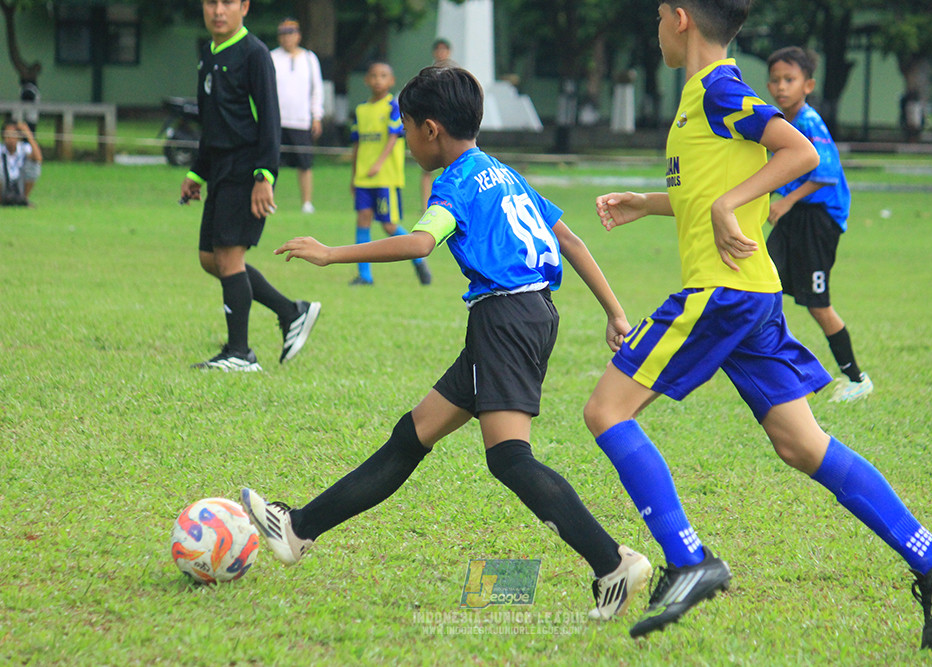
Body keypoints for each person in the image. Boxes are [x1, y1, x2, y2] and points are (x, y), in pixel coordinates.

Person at [583, 0, 932, 648]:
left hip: (722, 293)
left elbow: (799, 152)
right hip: (754, 295)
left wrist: (729, 204)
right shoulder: (700, 96)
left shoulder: (719, 89)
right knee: (801, 443)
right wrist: (649, 203)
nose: (655, 30)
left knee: (606, 411)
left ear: (680, 17)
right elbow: (714, 184)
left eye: (657, 17)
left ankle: (687, 559)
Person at [242, 65, 653, 621]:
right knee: (412, 435)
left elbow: (419, 243)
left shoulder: (456, 182)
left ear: (430, 129)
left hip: (504, 318)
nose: (405, 139)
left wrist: (332, 253)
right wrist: (615, 310)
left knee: (510, 458)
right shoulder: (502, 172)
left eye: (406, 127)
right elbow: (570, 239)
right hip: (528, 314)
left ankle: (612, 563)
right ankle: (297, 529)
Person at [180, 0, 321, 371]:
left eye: (227, 2)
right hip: (219, 169)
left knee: (229, 257)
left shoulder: (255, 54)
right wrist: (197, 173)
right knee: (211, 259)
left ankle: (240, 353)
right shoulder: (208, 54)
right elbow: (211, 122)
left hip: (245, 169)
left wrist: (264, 175)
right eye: (211, 2)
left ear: (244, 6)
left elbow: (271, 120)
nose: (218, 10)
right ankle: (291, 311)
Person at [765, 46, 872, 402]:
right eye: (775, 80)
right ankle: (780, 371)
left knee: (817, 304)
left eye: (790, 79)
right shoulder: (780, 122)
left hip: (819, 218)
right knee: (764, 283)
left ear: (808, 85)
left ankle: (856, 378)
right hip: (797, 215)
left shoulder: (809, 121)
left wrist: (785, 201)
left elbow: (824, 173)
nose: (782, 87)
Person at [349, 61, 431, 286]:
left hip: (385, 177)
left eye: (383, 76)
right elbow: (357, 144)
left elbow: (393, 138)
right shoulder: (361, 111)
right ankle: (365, 276)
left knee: (389, 226)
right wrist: (354, 176)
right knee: (363, 220)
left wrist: (378, 164)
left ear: (391, 81)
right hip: (363, 178)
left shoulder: (393, 108)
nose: (378, 80)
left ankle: (419, 258)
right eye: (374, 76)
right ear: (366, 80)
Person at [271, 18, 324, 214]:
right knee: (271, 162)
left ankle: (307, 203)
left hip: (301, 120)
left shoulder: (309, 58)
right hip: (276, 120)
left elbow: (316, 89)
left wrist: (316, 116)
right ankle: (268, 199)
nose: (287, 38)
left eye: (291, 33)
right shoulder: (272, 57)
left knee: (305, 163)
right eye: (283, 33)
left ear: (298, 35)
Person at [420, 39, 457, 210]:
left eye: (444, 50)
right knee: (427, 168)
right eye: (438, 50)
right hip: (433, 121)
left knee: (452, 165)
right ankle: (426, 205)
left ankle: (449, 204)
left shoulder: (455, 72)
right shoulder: (428, 74)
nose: (441, 53)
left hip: (450, 123)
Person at [1, 119, 41, 206]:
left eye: (13, 134)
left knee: (34, 165)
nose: (10, 138)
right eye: (8, 134)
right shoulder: (1, 149)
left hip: (19, 183)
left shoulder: (24, 148)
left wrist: (28, 134)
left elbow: (38, 159)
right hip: (4, 184)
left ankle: (23, 199)